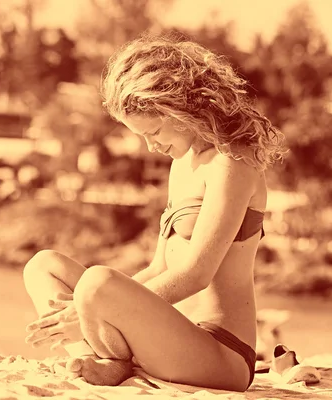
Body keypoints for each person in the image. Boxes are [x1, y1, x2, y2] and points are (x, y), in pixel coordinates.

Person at [22, 33, 287, 392]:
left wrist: (89, 309)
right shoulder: (183, 164)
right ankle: (112, 359)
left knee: (98, 283)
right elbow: (161, 269)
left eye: (155, 131)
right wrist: (93, 310)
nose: (151, 146)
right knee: (44, 265)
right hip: (166, 336)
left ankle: (111, 359)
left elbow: (196, 274)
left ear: (183, 109)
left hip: (219, 353)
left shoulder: (232, 162)